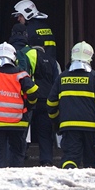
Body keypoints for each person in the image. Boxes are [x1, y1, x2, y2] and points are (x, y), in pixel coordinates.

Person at [47, 41, 95, 169]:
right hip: (91, 129)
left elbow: (51, 103)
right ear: (90, 58)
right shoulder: (94, 77)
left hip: (69, 127)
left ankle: (68, 182)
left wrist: (56, 121)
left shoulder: (62, 78)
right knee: (90, 160)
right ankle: (89, 186)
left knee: (70, 158)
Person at [0, 42, 39, 168]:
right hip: (18, 123)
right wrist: (28, 107)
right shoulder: (20, 74)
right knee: (16, 155)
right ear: (13, 57)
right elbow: (34, 93)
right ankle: (15, 182)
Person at [27, 34, 61, 166]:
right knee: (45, 132)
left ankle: (21, 156)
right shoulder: (53, 61)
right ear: (44, 46)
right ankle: (46, 160)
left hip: (31, 98)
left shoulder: (28, 57)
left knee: (25, 130)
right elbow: (57, 82)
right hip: (46, 101)